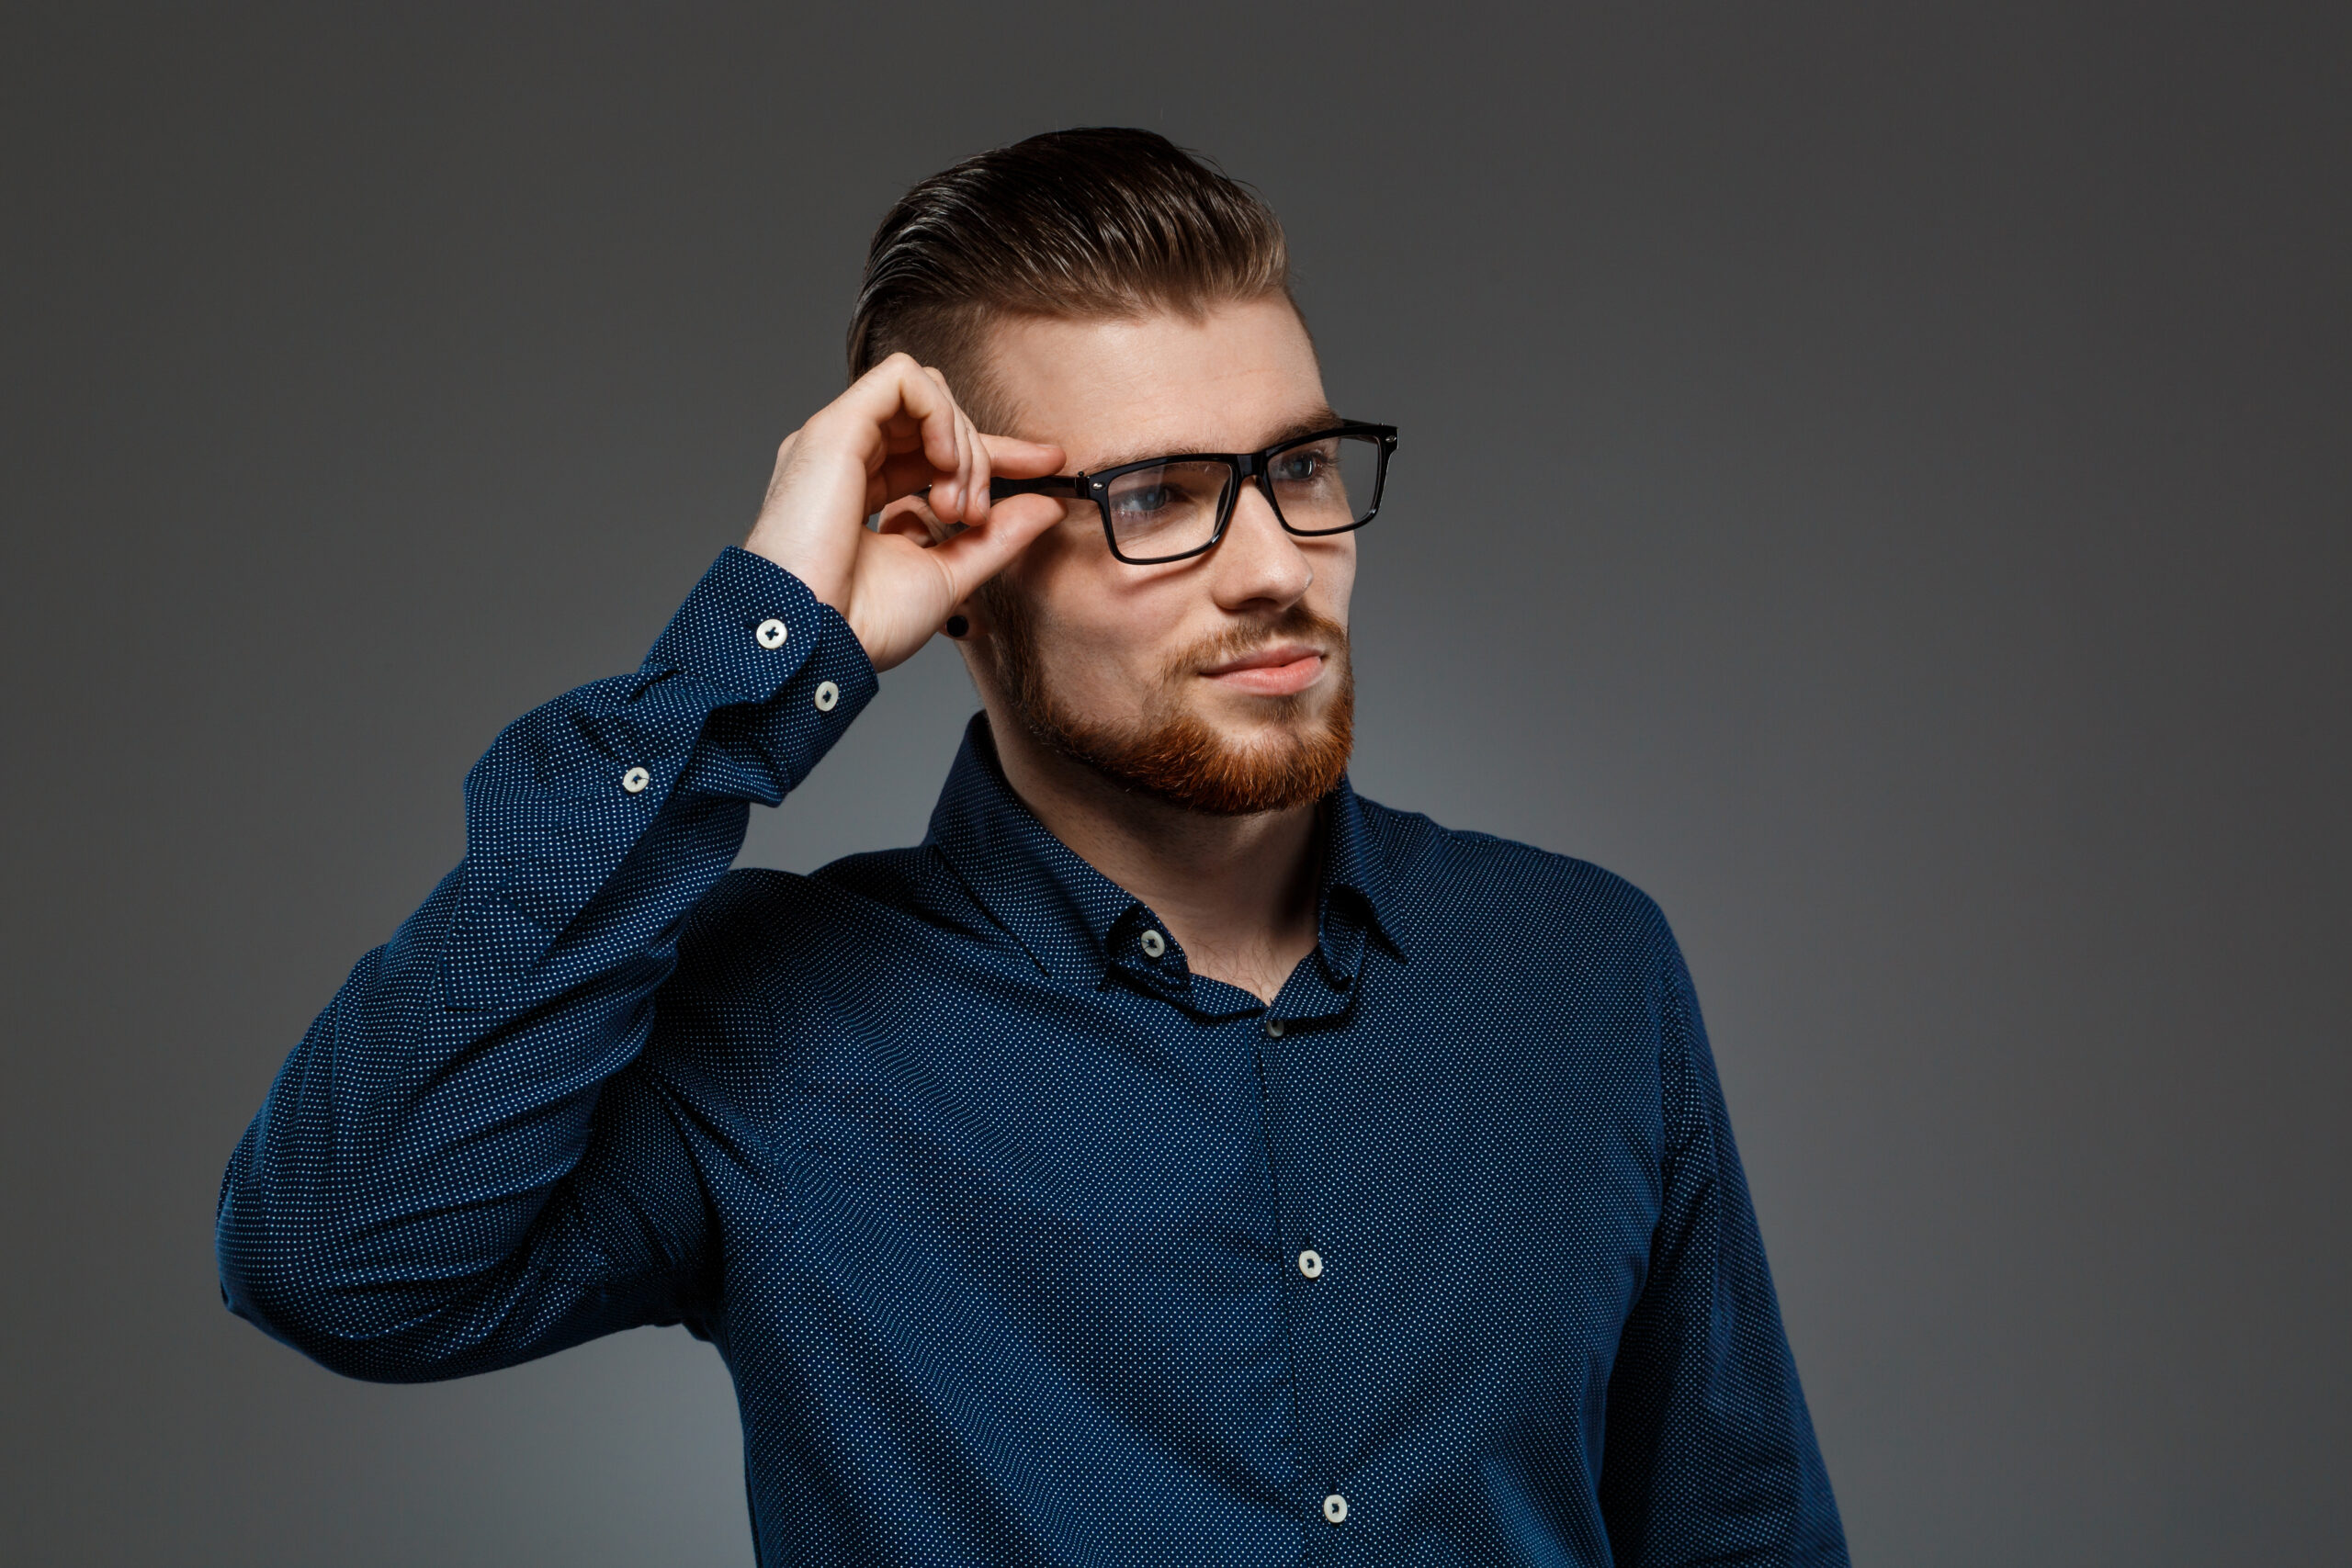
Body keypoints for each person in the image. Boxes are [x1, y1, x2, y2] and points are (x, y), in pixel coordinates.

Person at [217, 127, 1847, 1566]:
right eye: (1157, 496)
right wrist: (763, 657)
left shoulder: (1578, 967)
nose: (1276, 564)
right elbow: (337, 1254)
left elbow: (1740, 1537)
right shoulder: (771, 1022)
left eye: (1294, 466)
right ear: (965, 560)